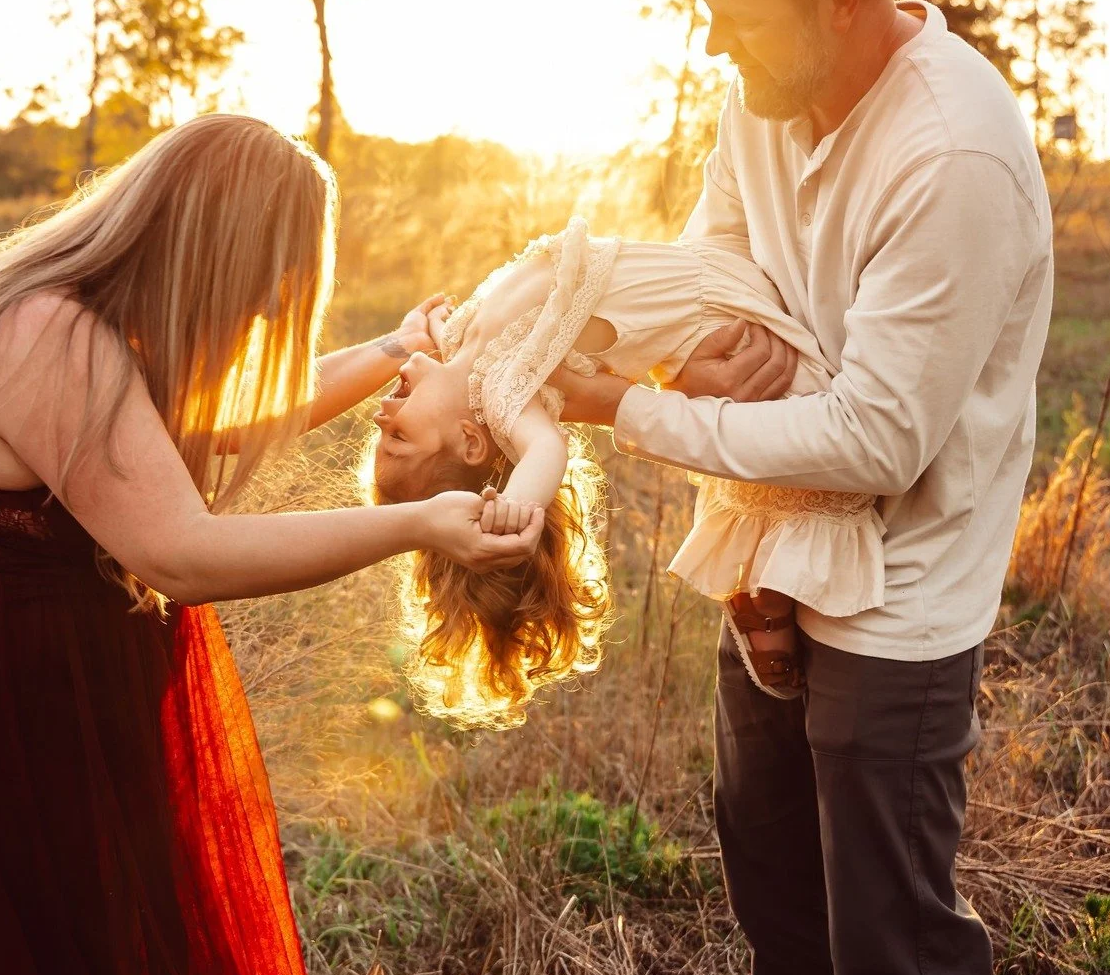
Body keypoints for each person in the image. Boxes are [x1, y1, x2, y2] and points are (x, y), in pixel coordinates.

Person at [0, 114, 540, 975]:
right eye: (268, 284)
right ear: (210, 249)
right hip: (10, 719)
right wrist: (415, 523)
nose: (267, 312)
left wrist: (390, 349)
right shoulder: (48, 332)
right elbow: (178, 552)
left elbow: (195, 429)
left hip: (67, 698)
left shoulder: (84, 323)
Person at [558, 0, 1055, 975]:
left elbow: (880, 438)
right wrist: (713, 344)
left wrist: (633, 406)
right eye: (709, 15)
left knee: (892, 933)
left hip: (900, 584)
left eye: (744, 20)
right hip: (769, 541)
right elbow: (720, 270)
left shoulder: (953, 153)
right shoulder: (760, 102)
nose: (719, 48)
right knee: (770, 864)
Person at [369, 215, 887, 728]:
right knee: (812, 471)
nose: (381, 414)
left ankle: (771, 586)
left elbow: (440, 341)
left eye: (384, 433)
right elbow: (546, 451)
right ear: (470, 439)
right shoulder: (503, 396)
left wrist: (425, 332)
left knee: (772, 451)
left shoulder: (457, 345)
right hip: (734, 328)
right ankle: (767, 590)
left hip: (718, 271)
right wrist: (514, 507)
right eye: (399, 437)